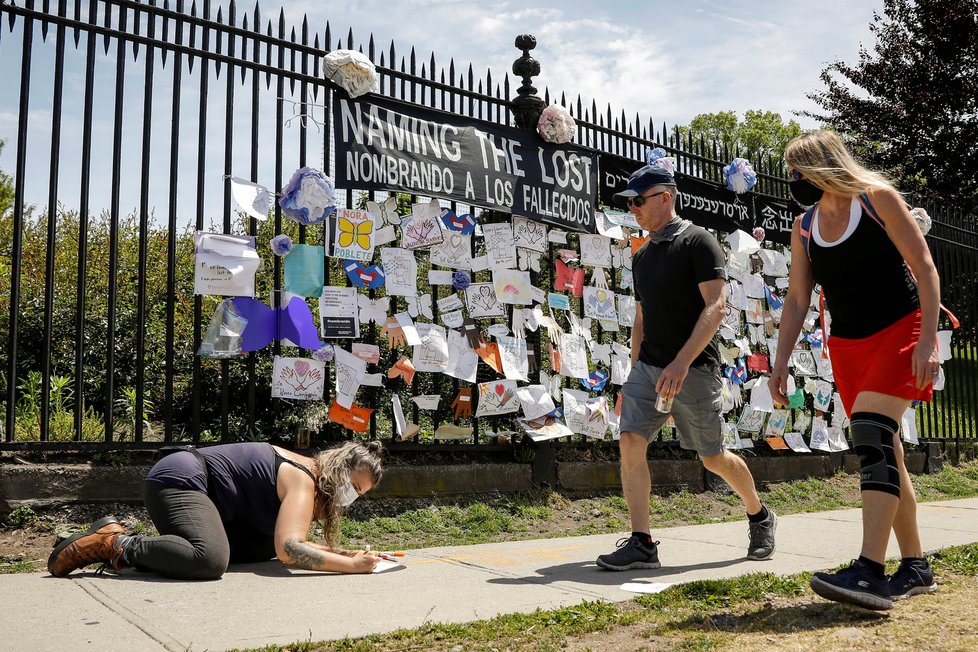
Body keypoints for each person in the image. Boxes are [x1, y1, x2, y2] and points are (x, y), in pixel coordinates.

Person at [770, 130, 941, 610]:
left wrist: (928, 342)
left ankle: (868, 570)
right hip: (848, 346)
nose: (792, 182)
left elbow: (925, 268)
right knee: (886, 447)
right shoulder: (804, 226)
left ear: (822, 167)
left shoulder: (876, 200)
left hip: (901, 330)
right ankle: (916, 567)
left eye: (797, 172)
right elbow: (799, 298)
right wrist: (780, 362)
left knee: (869, 433)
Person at [596, 164, 776, 571]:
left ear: (665, 197)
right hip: (649, 369)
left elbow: (717, 307)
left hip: (693, 369)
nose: (634, 209)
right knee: (629, 441)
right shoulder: (641, 255)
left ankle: (760, 515)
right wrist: (637, 362)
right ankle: (642, 542)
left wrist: (680, 362)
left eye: (639, 201)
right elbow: (641, 316)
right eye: (630, 202)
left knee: (712, 457)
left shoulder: (700, 242)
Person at [47, 440, 385, 579]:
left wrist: (346, 552)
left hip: (209, 498)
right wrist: (351, 566)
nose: (349, 496)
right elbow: (290, 549)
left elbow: (287, 541)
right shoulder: (304, 479)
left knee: (262, 544)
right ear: (339, 467)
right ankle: (115, 543)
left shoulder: (312, 478)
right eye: (353, 486)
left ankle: (164, 551)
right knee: (209, 560)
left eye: (359, 494)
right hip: (180, 479)